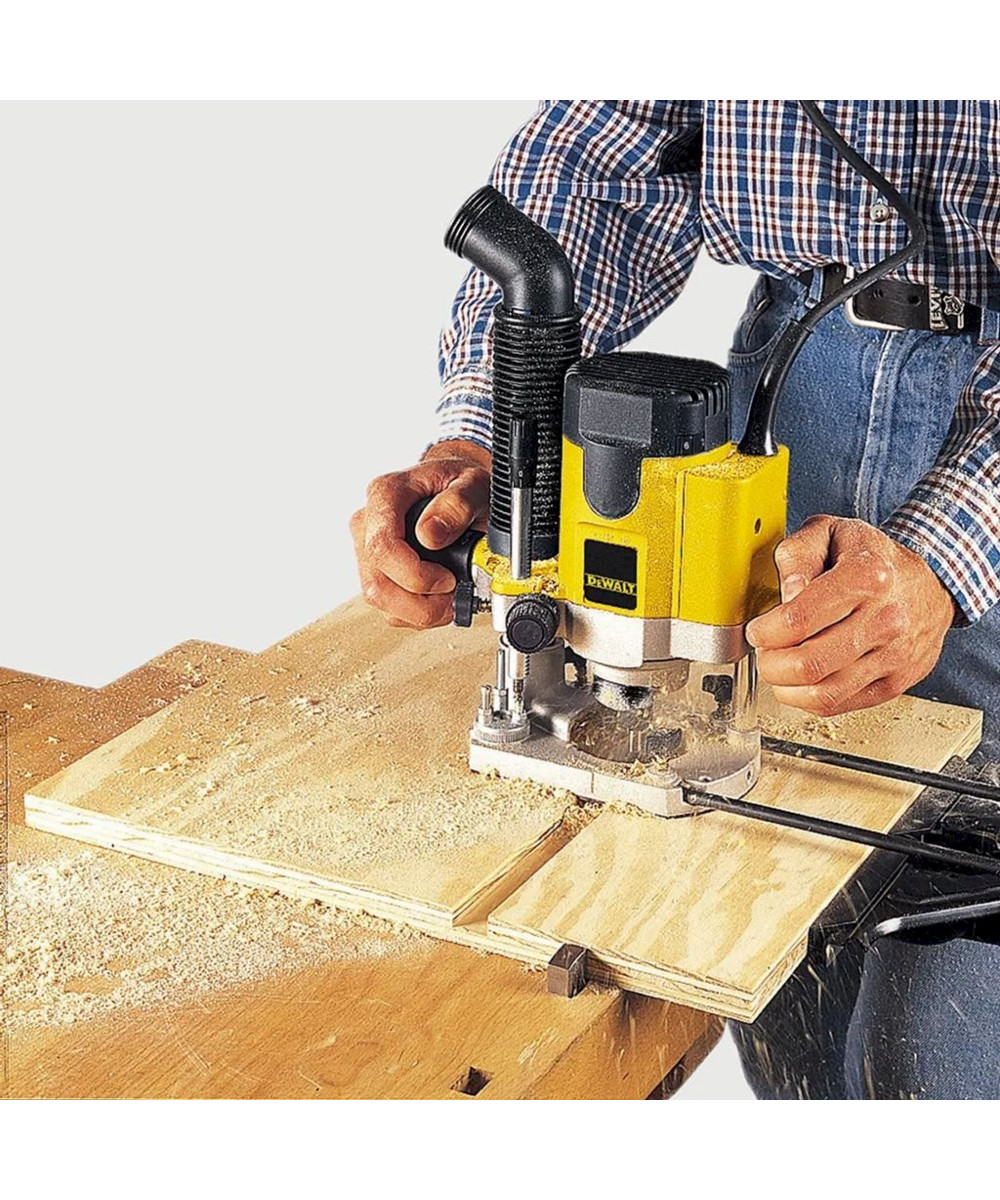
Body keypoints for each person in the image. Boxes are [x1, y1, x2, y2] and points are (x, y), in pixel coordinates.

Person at [351, 101, 1000, 1099]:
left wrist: (952, 545)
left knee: (934, 1057)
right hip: (798, 369)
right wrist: (488, 434)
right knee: (783, 987)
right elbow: (595, 158)